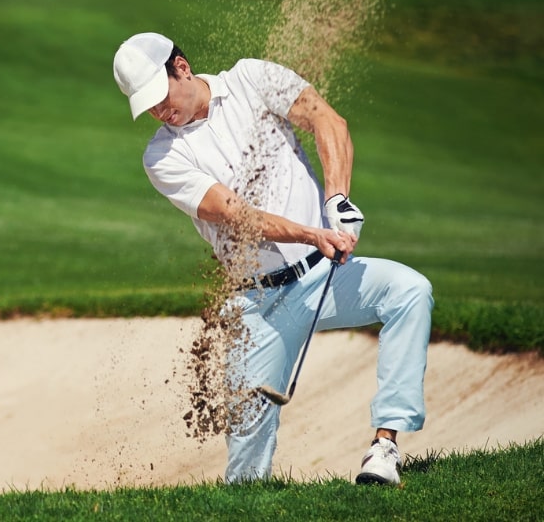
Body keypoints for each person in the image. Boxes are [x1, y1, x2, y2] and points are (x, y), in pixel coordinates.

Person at [111, 32, 433, 485]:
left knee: (410, 291)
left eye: (160, 96)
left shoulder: (250, 79)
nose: (158, 112)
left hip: (325, 276)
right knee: (245, 475)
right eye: (146, 105)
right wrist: (313, 233)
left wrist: (338, 199)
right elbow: (232, 214)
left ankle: (385, 448)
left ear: (181, 67)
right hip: (256, 307)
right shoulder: (162, 155)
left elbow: (328, 121)